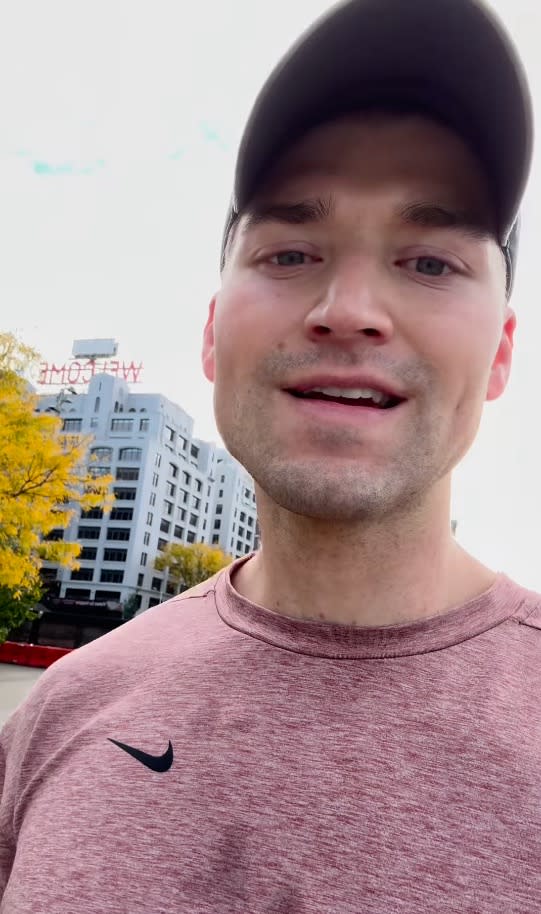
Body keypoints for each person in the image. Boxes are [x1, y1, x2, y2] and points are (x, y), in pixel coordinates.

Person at [1, 0, 540, 910]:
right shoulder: (64, 709)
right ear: (213, 337)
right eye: (290, 252)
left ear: (497, 354)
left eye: (430, 263)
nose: (346, 306)